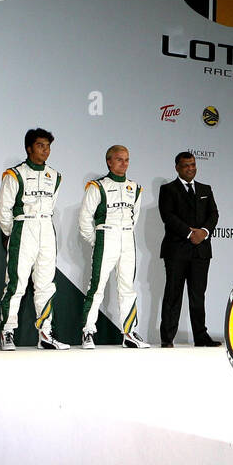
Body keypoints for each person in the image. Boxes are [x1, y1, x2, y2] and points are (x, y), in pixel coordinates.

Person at [0, 128, 68, 350]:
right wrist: (14, 233)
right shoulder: (14, 174)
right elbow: (3, 210)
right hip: (23, 226)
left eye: (47, 146)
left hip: (46, 227)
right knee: (16, 283)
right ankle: (7, 332)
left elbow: (52, 206)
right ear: (28, 148)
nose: (45, 150)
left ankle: (45, 334)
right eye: (40, 145)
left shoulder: (55, 176)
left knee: (46, 284)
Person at [79, 145, 149, 349]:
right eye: (119, 159)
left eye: (127, 159)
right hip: (105, 235)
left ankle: (129, 333)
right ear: (109, 161)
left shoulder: (135, 188)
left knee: (128, 287)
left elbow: (134, 217)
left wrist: (123, 233)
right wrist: (97, 240)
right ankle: (87, 332)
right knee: (97, 286)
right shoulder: (97, 186)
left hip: (127, 238)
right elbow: (84, 219)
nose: (124, 163)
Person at [159, 150, 220, 347]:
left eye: (193, 165)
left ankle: (201, 337)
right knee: (173, 295)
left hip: (201, 250)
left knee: (197, 295)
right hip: (176, 251)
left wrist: (203, 232)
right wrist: (189, 233)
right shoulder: (167, 189)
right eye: (186, 165)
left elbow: (214, 214)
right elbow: (168, 216)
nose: (190, 169)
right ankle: (167, 338)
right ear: (177, 167)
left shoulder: (205, 189)